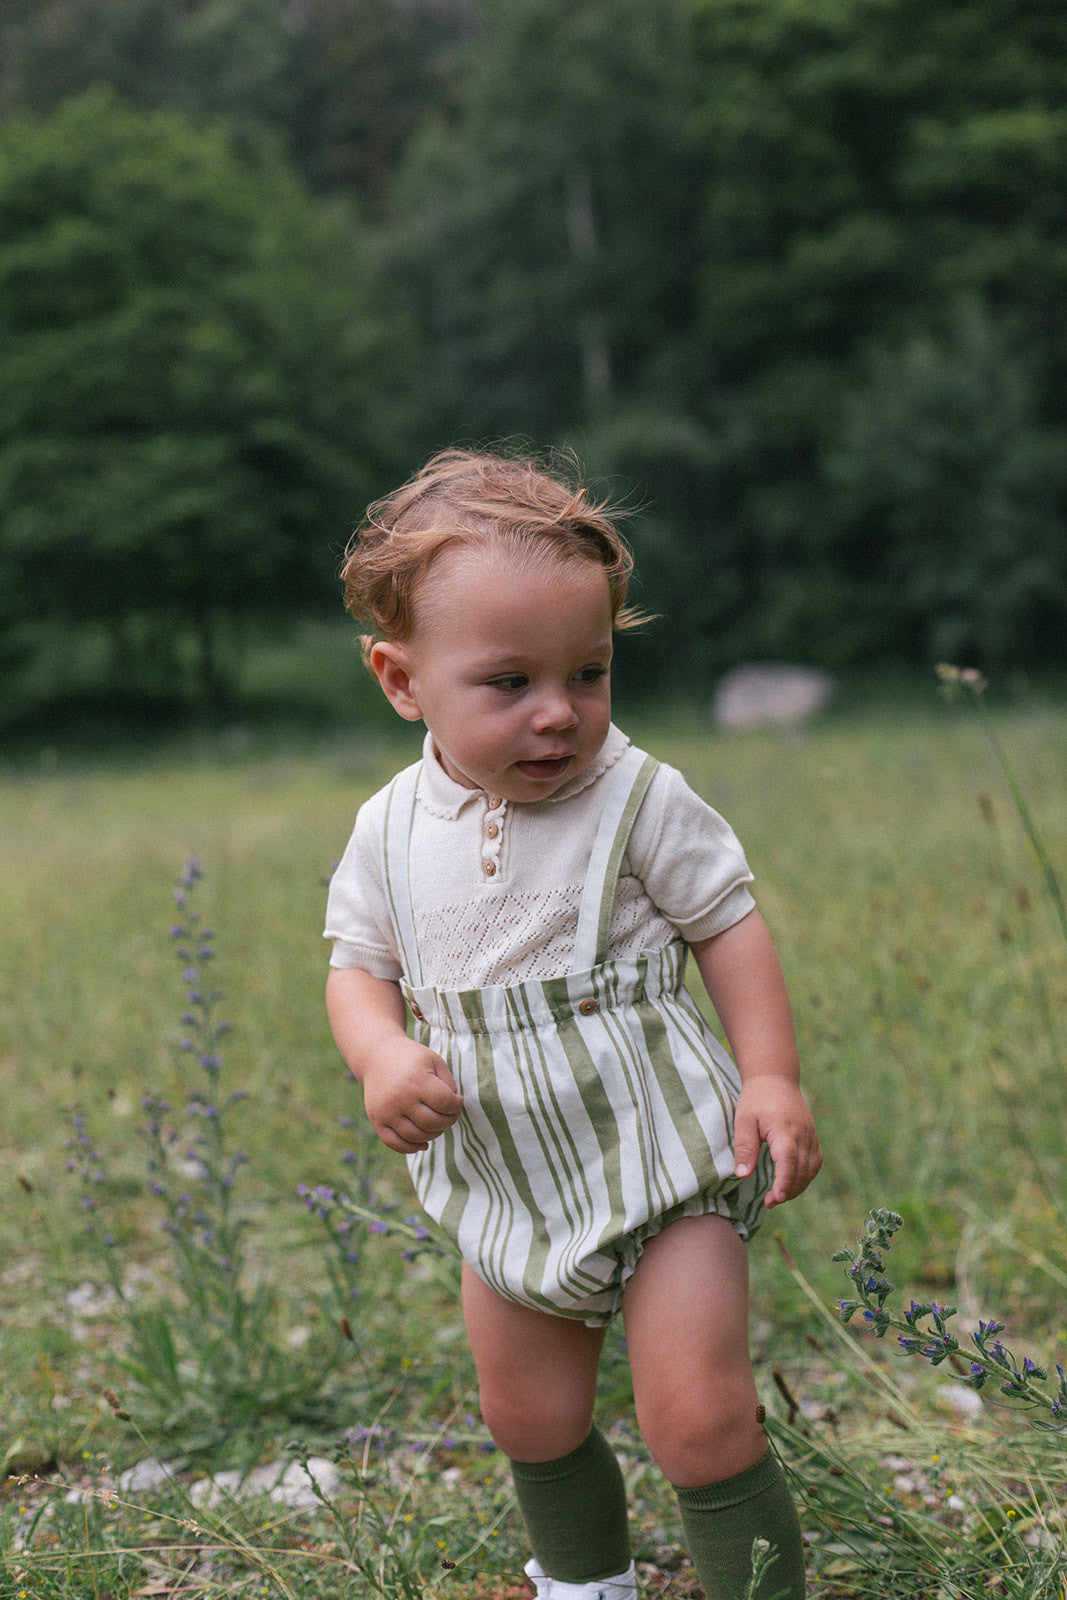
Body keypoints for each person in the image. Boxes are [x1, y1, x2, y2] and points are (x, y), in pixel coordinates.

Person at [324, 448, 822, 1600]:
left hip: (662, 1158)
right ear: (402, 680)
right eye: (508, 683)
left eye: (587, 673)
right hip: (503, 1174)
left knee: (696, 1415)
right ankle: (584, 1584)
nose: (559, 714)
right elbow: (358, 967)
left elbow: (727, 925)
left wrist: (771, 1077)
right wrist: (380, 1051)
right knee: (528, 1415)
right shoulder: (390, 829)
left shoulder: (638, 795)